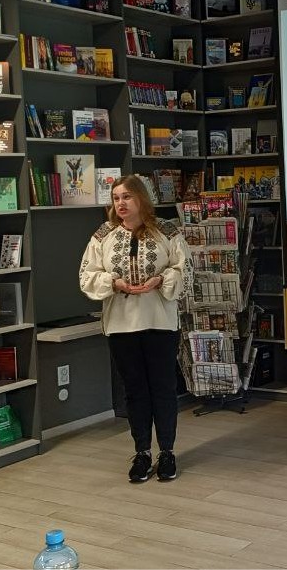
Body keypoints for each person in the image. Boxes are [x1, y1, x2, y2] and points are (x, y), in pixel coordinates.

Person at [78, 174, 188, 483]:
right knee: (135, 390)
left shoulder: (167, 231)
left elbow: (184, 269)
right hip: (121, 325)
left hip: (160, 322)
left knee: (163, 388)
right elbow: (86, 275)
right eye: (116, 198)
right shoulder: (103, 235)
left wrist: (160, 280)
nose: (121, 203)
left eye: (126, 196)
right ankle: (142, 452)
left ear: (141, 198)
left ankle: (167, 452)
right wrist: (114, 283)